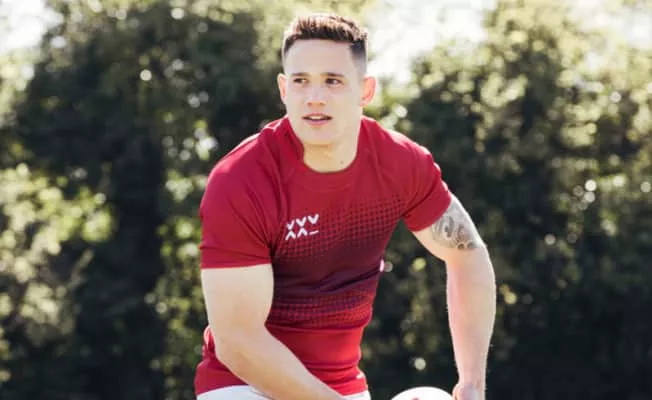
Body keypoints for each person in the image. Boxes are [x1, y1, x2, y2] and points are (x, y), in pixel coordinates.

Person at [194, 12, 496, 400]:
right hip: (243, 385)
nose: (314, 97)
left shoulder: (401, 164)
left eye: (332, 81)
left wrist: (472, 383)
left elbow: (467, 254)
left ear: (365, 91)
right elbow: (237, 342)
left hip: (341, 386)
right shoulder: (242, 180)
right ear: (284, 89)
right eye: (301, 81)